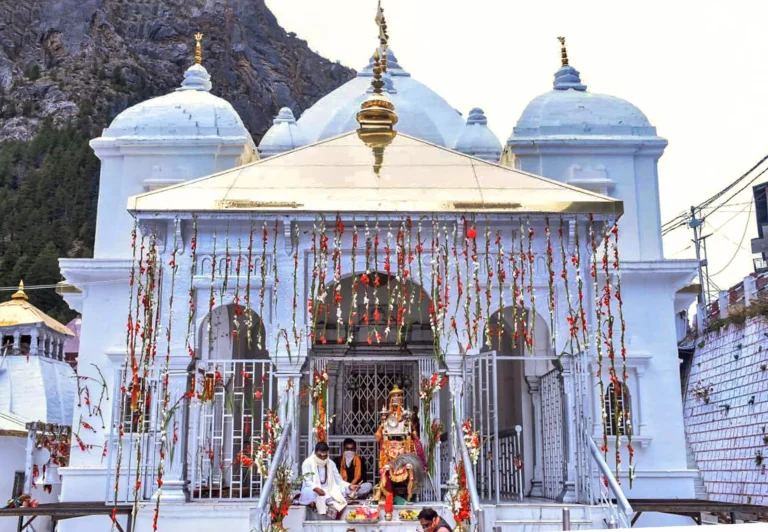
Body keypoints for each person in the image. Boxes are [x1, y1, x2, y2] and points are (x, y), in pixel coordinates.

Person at [299, 442, 358, 516]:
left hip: (329, 489)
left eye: (325, 455)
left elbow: (338, 480)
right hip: (314, 490)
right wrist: (316, 489)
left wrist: (349, 486)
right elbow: (307, 481)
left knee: (342, 489)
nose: (323, 458)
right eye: (320, 455)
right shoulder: (307, 463)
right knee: (308, 492)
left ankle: (322, 504)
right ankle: (316, 504)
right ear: (315, 452)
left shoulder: (331, 463)